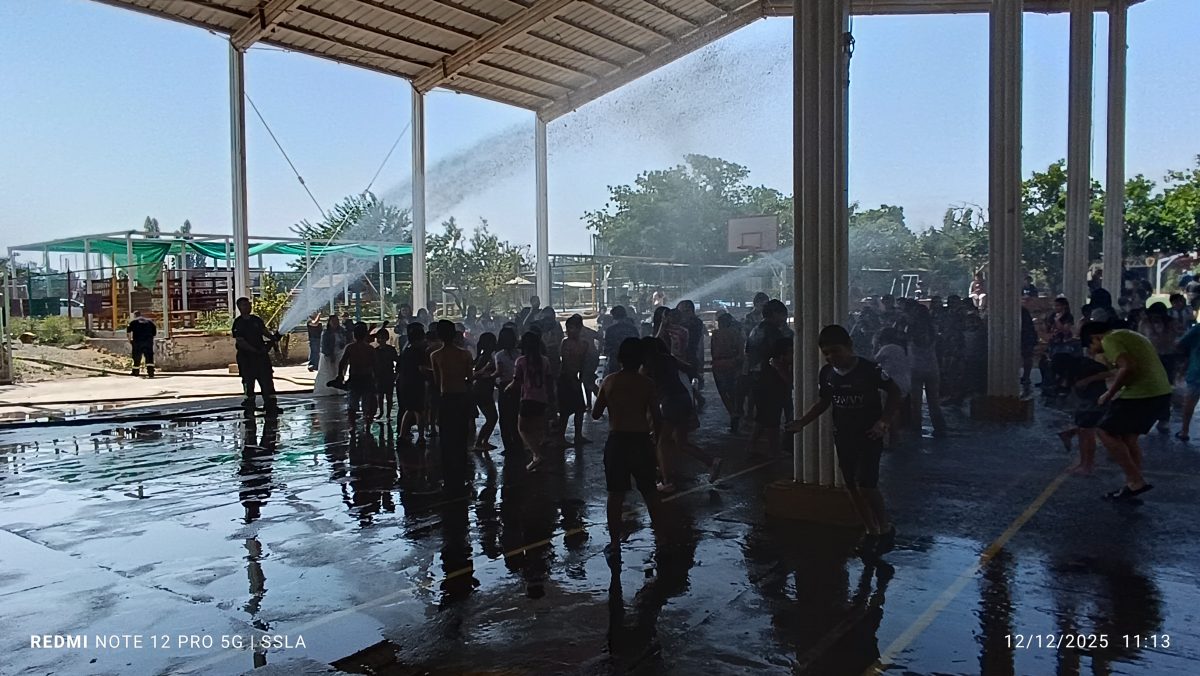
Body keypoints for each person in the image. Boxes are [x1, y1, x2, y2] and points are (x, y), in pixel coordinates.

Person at [786, 325, 902, 556]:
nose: (831, 357)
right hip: (844, 435)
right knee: (851, 486)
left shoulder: (869, 370)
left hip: (869, 435)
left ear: (849, 346)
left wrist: (884, 421)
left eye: (835, 351)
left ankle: (885, 527)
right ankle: (870, 530)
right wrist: (802, 422)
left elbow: (895, 392)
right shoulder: (827, 374)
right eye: (826, 353)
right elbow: (824, 402)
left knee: (867, 485)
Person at [1087, 320, 1171, 500]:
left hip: (1143, 394)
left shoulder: (1110, 339)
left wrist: (1109, 394)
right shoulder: (1128, 335)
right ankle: (1133, 485)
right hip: (1160, 392)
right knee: (1128, 438)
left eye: (1090, 345)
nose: (1091, 350)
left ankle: (1136, 480)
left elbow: (1128, 366)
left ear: (1095, 337)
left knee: (1104, 431)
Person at [592, 337, 663, 548]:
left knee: (615, 495)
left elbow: (596, 414)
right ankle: (662, 537)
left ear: (619, 358)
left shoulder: (610, 381)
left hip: (617, 441)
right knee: (650, 492)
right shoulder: (646, 384)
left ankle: (614, 542)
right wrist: (655, 440)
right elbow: (657, 418)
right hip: (641, 440)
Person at [1055, 322, 1112, 474]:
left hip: (1095, 400)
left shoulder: (1092, 362)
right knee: (1084, 431)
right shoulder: (1081, 363)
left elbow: (1111, 372)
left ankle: (1087, 465)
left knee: (1087, 432)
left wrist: (1087, 381)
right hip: (1090, 400)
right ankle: (1084, 462)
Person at [431, 319, 475, 482]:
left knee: (446, 435)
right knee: (461, 433)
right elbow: (469, 378)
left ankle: (448, 469)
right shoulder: (465, 354)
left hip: (445, 397)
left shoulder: (435, 355)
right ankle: (461, 466)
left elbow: (436, 381)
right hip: (462, 395)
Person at [232, 297, 282, 414]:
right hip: (246, 358)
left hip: (261, 356)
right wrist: (255, 350)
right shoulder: (238, 323)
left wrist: (273, 338)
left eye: (249, 304)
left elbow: (264, 331)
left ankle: (270, 404)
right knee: (248, 380)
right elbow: (240, 341)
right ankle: (249, 403)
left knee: (267, 380)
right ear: (239, 308)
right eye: (245, 305)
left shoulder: (256, 320)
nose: (248, 307)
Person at [904, 304, 946, 437]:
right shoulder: (933, 329)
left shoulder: (909, 329)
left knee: (915, 403)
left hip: (915, 367)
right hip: (932, 367)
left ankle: (916, 429)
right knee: (934, 401)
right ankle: (940, 429)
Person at [511, 331, 551, 471]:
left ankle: (536, 454)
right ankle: (536, 454)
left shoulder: (521, 361)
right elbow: (548, 379)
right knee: (536, 427)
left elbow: (517, 381)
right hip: (542, 397)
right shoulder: (545, 360)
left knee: (522, 428)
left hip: (528, 398)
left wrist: (507, 388)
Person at [1138, 302, 1180, 432]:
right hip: (1150, 357)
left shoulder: (1171, 323)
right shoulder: (1144, 323)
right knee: (1150, 387)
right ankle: (1149, 415)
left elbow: (1176, 339)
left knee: (1166, 388)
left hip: (1167, 357)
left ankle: (1163, 417)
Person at [556, 315, 591, 446]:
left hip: (574, 378)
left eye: (573, 328)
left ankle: (578, 435)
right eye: (569, 328)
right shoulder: (566, 343)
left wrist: (580, 377)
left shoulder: (583, 344)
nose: (570, 331)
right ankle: (561, 437)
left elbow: (583, 363)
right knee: (565, 411)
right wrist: (574, 379)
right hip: (566, 378)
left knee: (579, 409)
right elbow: (566, 363)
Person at [872, 327, 910, 444]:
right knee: (896, 409)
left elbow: (873, 360)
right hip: (904, 382)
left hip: (891, 383)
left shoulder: (886, 349)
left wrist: (874, 345)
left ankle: (892, 439)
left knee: (890, 411)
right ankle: (896, 437)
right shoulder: (900, 348)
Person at [710, 313, 745, 433]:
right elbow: (741, 351)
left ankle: (732, 412)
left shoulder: (716, 334)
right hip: (734, 364)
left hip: (719, 364)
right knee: (734, 391)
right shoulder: (736, 333)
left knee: (723, 392)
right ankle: (736, 411)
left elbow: (713, 350)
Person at [337, 322, 378, 424]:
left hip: (354, 378)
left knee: (352, 404)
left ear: (354, 335)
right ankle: (367, 426)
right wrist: (376, 379)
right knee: (367, 404)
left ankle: (352, 426)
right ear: (365, 335)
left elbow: (342, 363)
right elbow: (375, 365)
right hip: (367, 378)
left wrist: (340, 375)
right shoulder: (370, 349)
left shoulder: (350, 348)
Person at [397, 323, 429, 444]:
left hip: (405, 383)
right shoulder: (418, 352)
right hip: (416, 383)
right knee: (419, 411)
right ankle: (421, 436)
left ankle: (401, 434)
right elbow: (421, 368)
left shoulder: (406, 351)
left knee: (409, 410)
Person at [493, 327, 522, 451]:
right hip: (518, 386)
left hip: (504, 387)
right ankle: (519, 442)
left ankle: (508, 446)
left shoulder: (499, 355)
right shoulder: (520, 354)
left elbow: (499, 372)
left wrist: (488, 376)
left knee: (504, 418)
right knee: (516, 416)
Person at [472, 332, 499, 452]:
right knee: (492, 417)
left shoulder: (486, 356)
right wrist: (487, 369)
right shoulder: (486, 358)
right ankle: (479, 442)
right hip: (482, 391)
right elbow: (476, 375)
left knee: (492, 418)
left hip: (484, 390)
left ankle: (483, 441)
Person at [1177, 320, 1200, 442]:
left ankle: (1184, 431)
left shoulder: (1198, 328)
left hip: (1197, 371)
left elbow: (1180, 343)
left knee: (1190, 403)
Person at [313, 314, 346, 397]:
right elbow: (324, 346)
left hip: (339, 354)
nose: (335, 322)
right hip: (329, 355)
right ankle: (328, 389)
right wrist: (330, 355)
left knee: (339, 371)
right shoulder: (326, 333)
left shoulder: (341, 331)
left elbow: (344, 341)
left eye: (337, 321)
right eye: (333, 321)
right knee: (329, 371)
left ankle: (339, 388)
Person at [373, 328, 398, 417]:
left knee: (387, 395)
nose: (380, 340)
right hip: (381, 375)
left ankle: (386, 413)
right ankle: (383, 412)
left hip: (387, 375)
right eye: (379, 338)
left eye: (382, 338)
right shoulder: (389, 349)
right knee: (381, 395)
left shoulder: (378, 350)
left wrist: (396, 373)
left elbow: (397, 361)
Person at [126, 310, 157, 378]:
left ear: (134, 315)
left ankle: (136, 372)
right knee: (149, 357)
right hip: (148, 342)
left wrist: (130, 340)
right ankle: (151, 372)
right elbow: (154, 333)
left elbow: (128, 332)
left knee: (136, 357)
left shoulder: (133, 322)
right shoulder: (149, 322)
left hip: (137, 342)